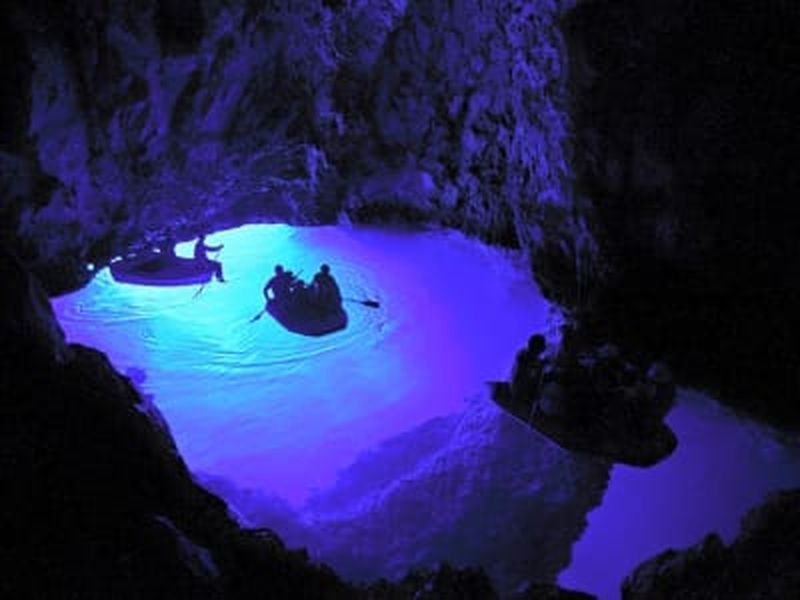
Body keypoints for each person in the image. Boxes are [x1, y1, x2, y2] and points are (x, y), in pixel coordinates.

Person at [510, 333, 547, 405]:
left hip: (524, 392)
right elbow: (529, 367)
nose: (542, 350)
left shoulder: (532, 358)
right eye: (540, 347)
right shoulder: (524, 356)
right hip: (521, 393)